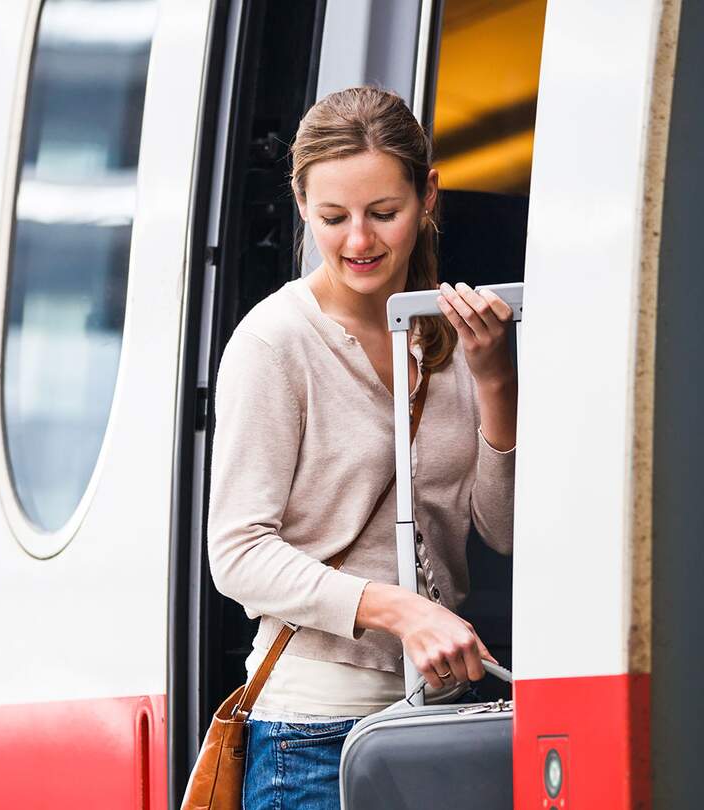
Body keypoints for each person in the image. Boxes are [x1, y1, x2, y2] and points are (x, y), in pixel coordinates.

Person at [206, 86, 518, 810]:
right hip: (312, 738)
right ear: (300, 201)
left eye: (384, 213)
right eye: (332, 217)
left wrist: (495, 381)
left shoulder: (450, 331)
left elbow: (498, 531)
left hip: (441, 717)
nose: (358, 242)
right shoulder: (274, 341)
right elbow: (237, 552)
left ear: (427, 195)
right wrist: (401, 610)